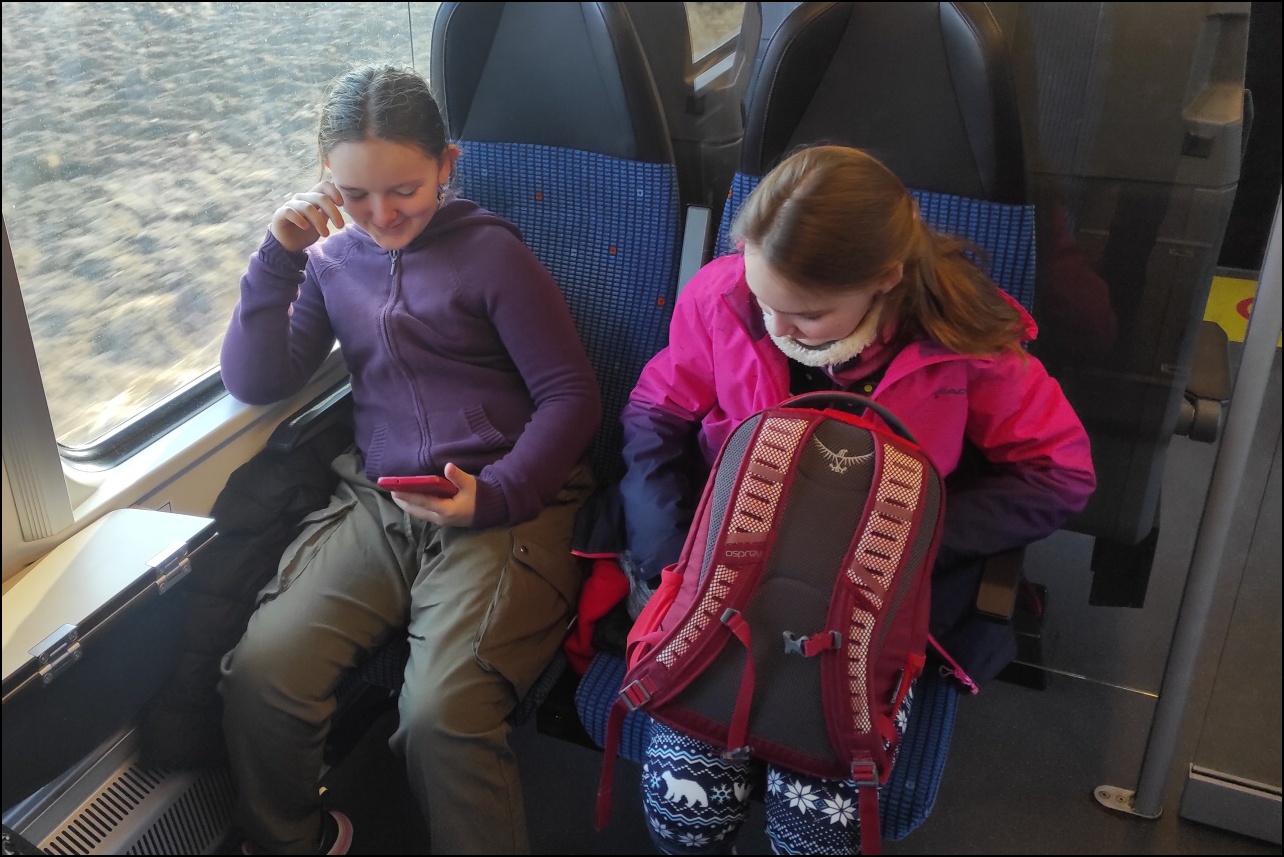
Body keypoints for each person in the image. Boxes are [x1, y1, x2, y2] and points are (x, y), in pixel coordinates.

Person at [617, 145, 1096, 854]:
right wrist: (670, 552)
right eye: (764, 301)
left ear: (884, 279)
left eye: (806, 315)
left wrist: (909, 539)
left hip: (864, 601)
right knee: (684, 805)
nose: (777, 328)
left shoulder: (963, 340)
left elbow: (1060, 473)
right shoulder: (723, 294)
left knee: (815, 821)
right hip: (732, 571)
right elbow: (656, 413)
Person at [217, 64, 601, 855]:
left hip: (506, 495)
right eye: (356, 194)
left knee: (442, 715)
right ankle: (297, 839)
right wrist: (280, 255)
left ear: (446, 166)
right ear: (327, 178)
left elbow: (572, 396)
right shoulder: (331, 261)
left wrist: (497, 493)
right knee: (264, 671)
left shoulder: (492, 256)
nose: (382, 214)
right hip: (382, 495)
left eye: (405, 190)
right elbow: (258, 378)